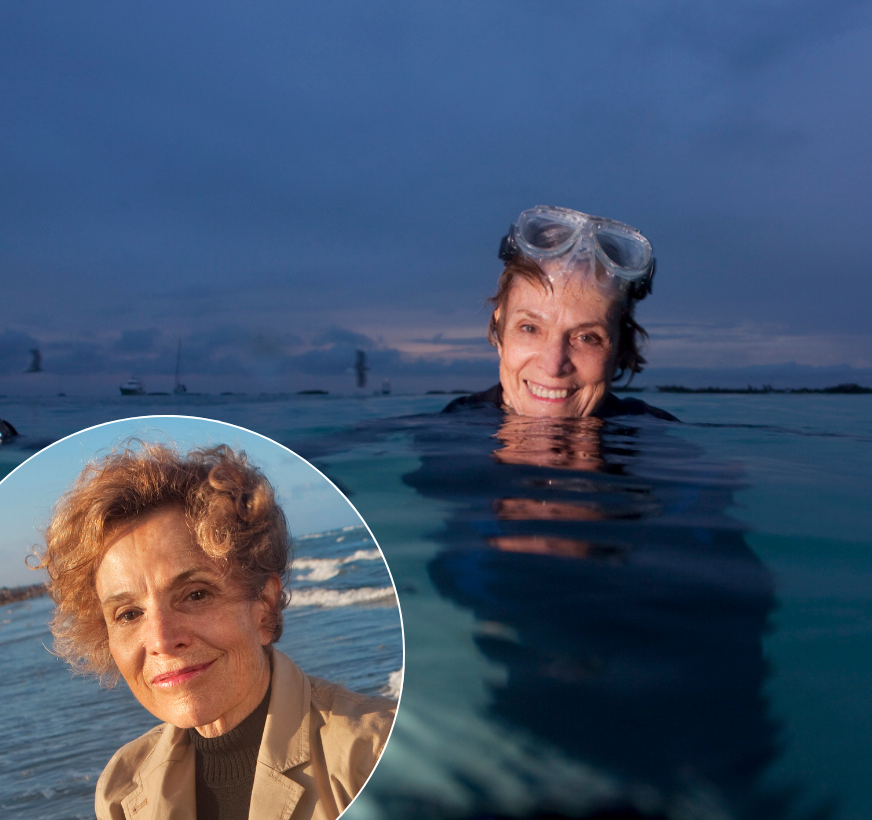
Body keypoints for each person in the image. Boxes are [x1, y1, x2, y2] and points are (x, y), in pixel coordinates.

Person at [35, 442, 396, 820]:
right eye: (128, 614)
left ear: (264, 606)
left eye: (195, 594)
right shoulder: (121, 790)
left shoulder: (376, 755)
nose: (161, 639)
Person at [443, 205, 677, 421]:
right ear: (500, 331)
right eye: (530, 328)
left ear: (621, 348)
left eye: (587, 337)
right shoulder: (451, 432)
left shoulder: (654, 434)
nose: (554, 365)